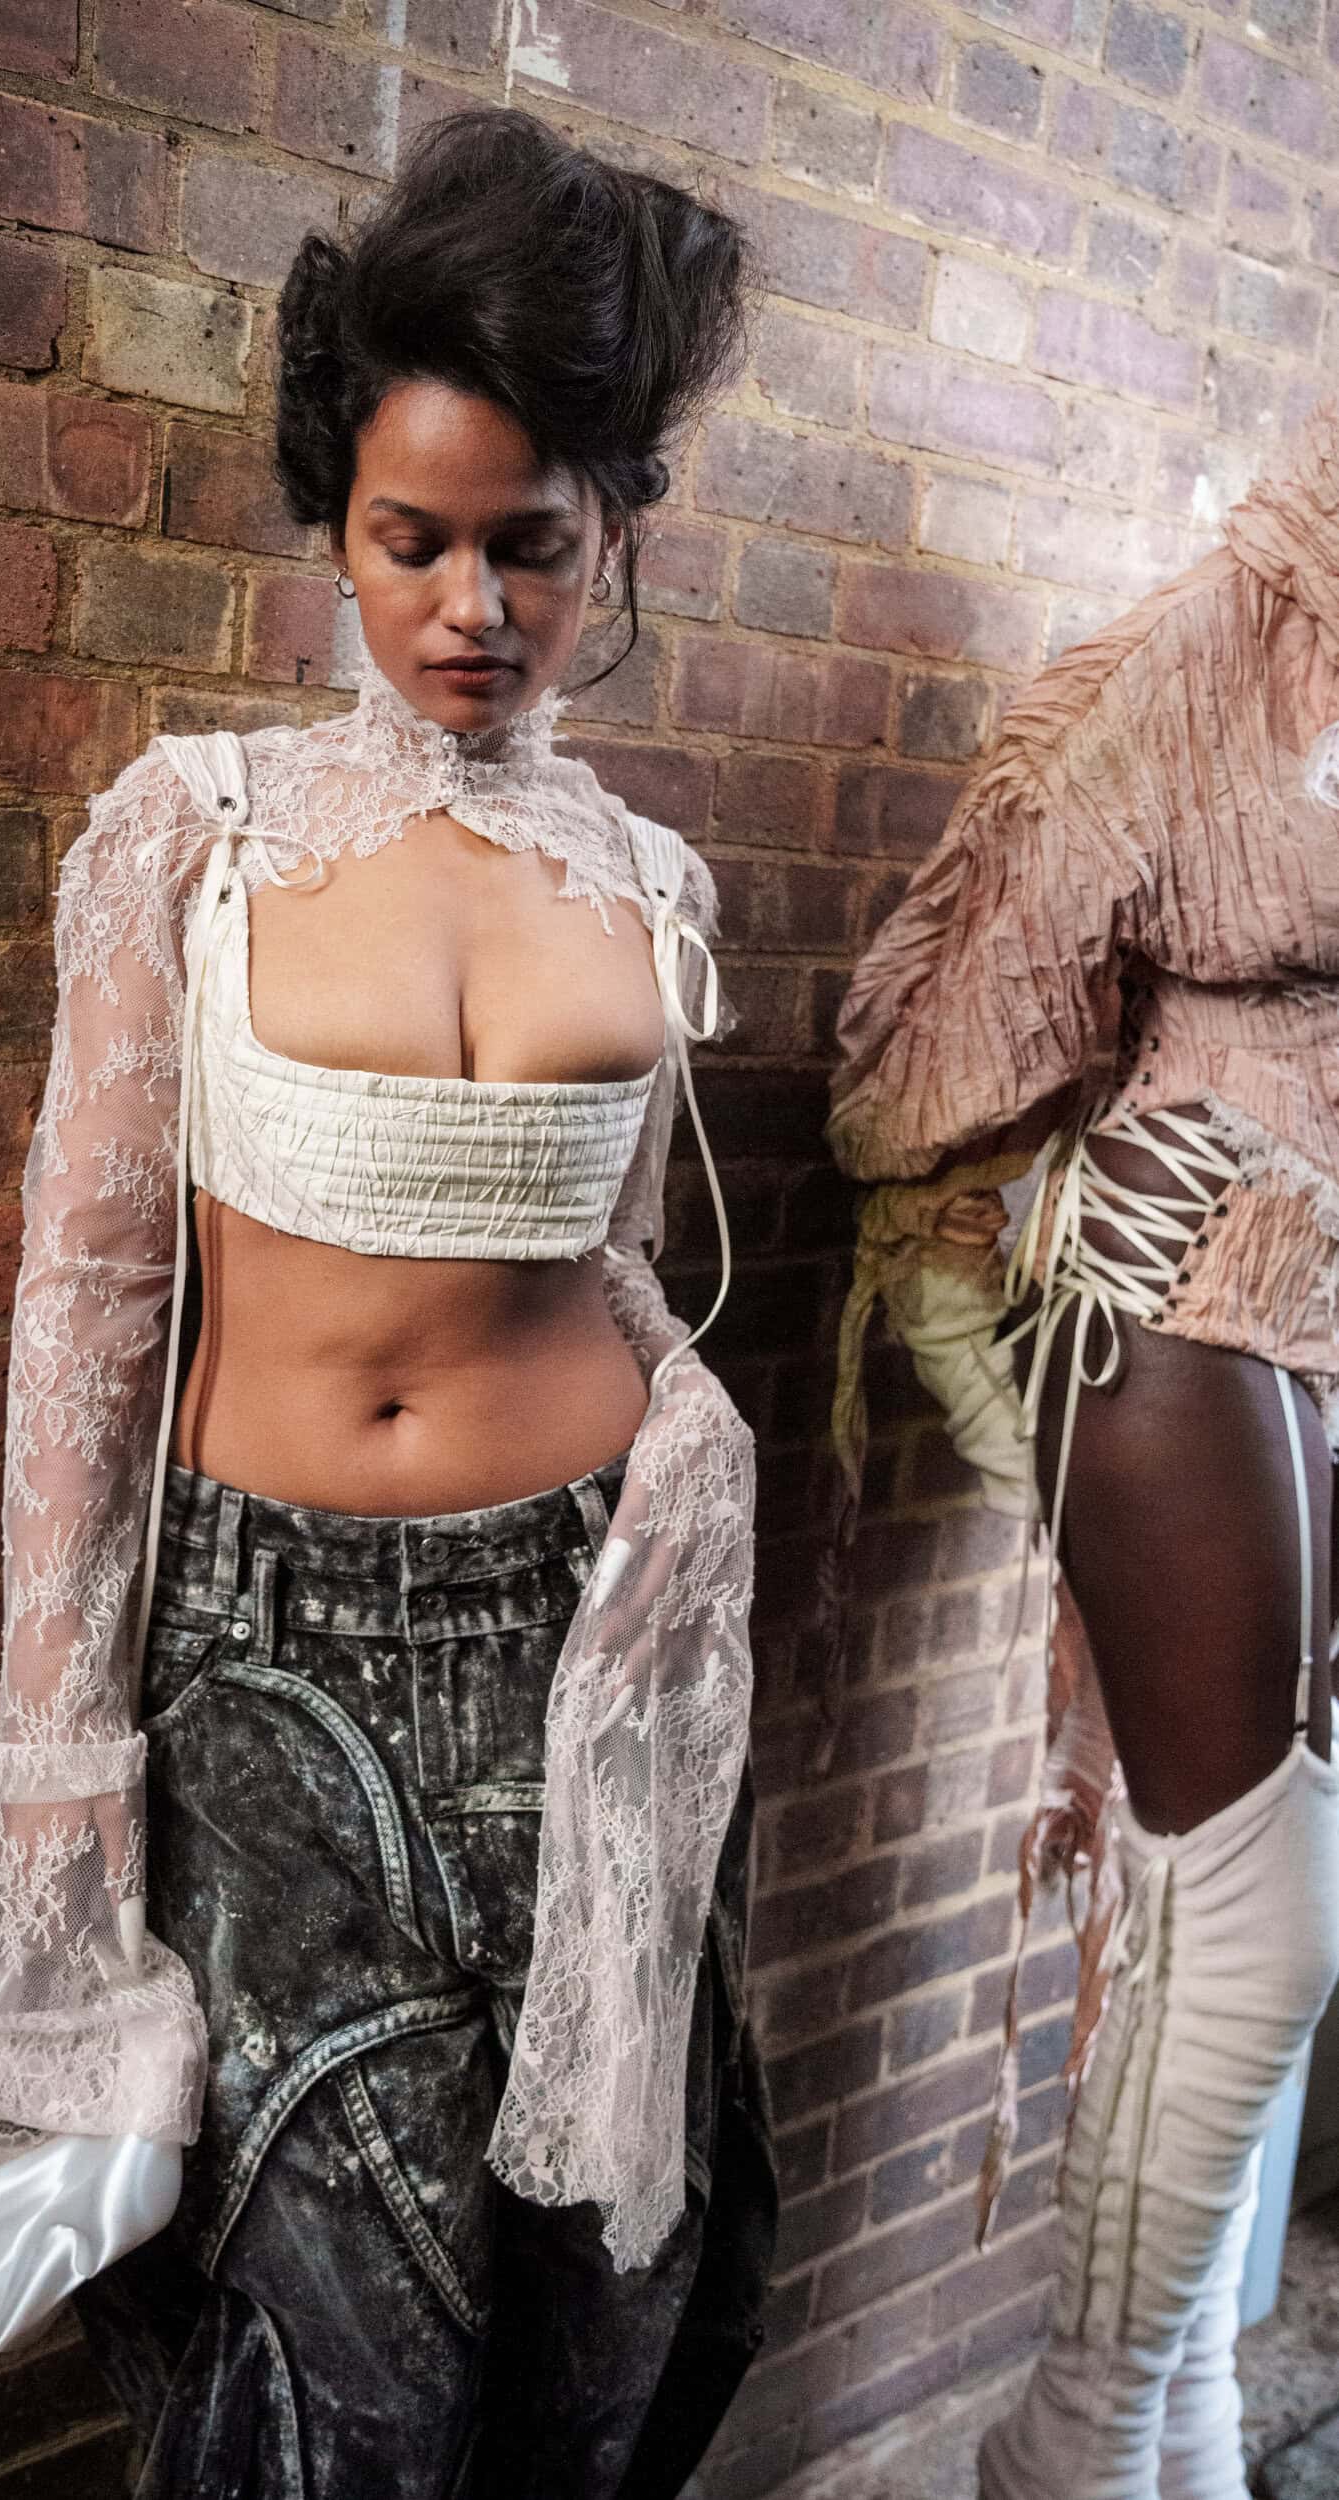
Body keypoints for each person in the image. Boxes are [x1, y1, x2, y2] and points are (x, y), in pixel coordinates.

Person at [0, 108, 778, 2499]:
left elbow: (596, 1253)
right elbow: (88, 1304)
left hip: (594, 1634)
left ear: (612, 537)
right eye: (414, 539)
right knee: (340, 2355)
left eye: (531, 544)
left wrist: (682, 1421)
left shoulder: (650, 876)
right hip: (271, 1658)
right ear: (336, 528)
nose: (470, 602)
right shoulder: (190, 833)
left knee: (598, 2313)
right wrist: (58, 1751)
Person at [825, 405, 1339, 2500]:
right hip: (1178, 1276)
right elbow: (931, 1051)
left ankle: (1172, 2433)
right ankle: (1066, 2443)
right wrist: (996, 1260)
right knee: (1262, 1917)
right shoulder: (1223, 635)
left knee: (1238, 1902)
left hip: (1323, 1297)